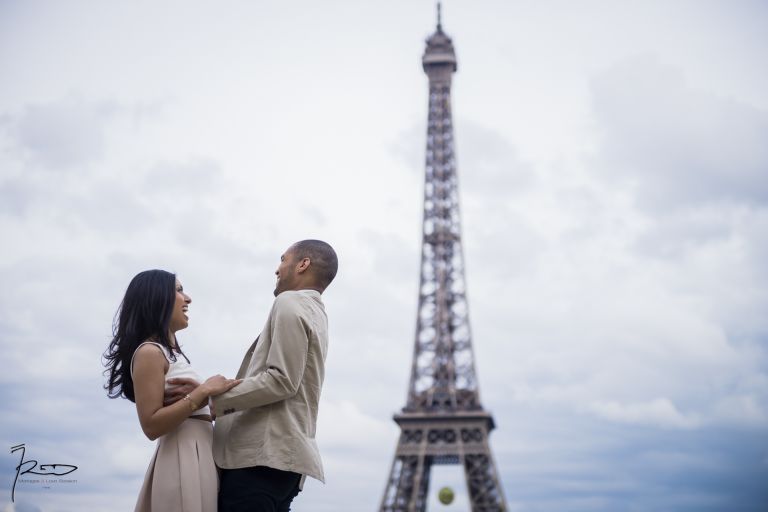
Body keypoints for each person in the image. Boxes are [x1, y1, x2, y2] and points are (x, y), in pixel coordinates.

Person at [212, 239, 337, 512]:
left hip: (259, 458)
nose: (277, 269)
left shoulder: (289, 302)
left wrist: (212, 401)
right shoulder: (318, 314)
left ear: (303, 264)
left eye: (283, 259)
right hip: (287, 462)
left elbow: (281, 380)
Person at [103, 269, 241, 512]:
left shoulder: (172, 354)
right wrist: (203, 391)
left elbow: (191, 406)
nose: (188, 298)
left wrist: (207, 399)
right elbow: (151, 426)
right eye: (178, 291)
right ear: (157, 299)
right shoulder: (149, 352)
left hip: (199, 454)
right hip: (181, 458)